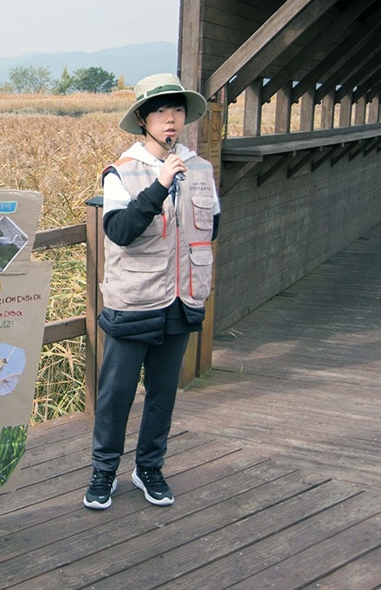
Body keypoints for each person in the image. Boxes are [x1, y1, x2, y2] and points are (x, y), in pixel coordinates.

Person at [83, 73, 220, 511]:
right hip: (135, 299)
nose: (171, 119)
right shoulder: (121, 171)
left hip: (182, 299)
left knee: (163, 393)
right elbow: (119, 231)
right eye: (161, 110)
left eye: (177, 109)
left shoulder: (200, 168)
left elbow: (211, 224)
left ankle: (149, 467)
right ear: (143, 118)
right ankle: (104, 472)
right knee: (116, 393)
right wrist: (160, 185)